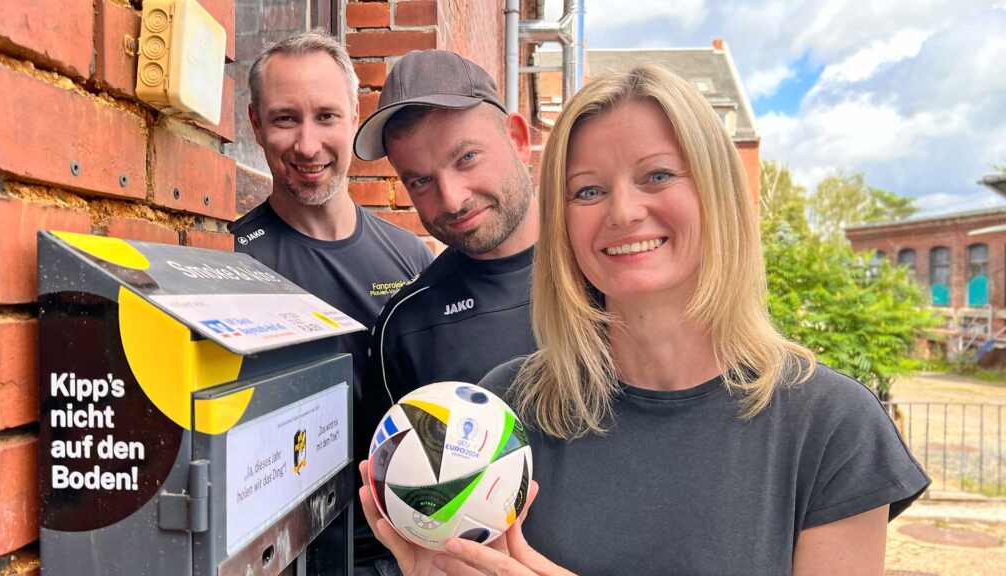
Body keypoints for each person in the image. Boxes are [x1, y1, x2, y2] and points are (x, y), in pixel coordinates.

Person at [359, 64, 930, 575]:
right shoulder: (502, 414)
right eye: (588, 190)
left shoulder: (831, 426)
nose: (624, 212)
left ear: (716, 190)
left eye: (657, 176)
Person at [351, 50, 540, 575]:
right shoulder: (406, 326)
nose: (451, 198)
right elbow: (387, 519)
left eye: (466, 158)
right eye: (420, 181)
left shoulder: (616, 277)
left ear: (519, 140)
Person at [230, 29, 433, 403]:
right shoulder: (231, 262)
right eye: (285, 120)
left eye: (326, 116)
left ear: (354, 117)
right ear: (256, 125)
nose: (308, 146)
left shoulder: (412, 258)